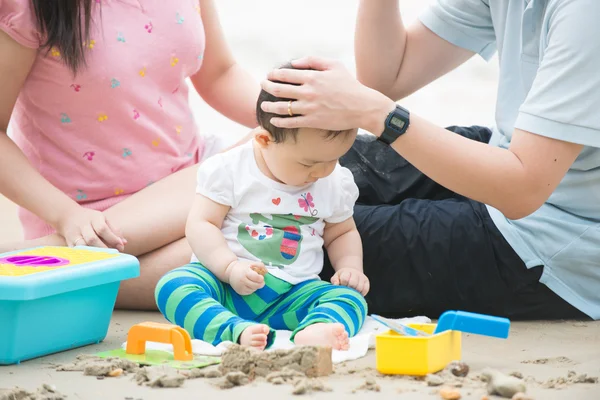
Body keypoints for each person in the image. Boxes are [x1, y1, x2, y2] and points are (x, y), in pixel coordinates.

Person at [259, 0, 600, 321]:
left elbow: (524, 191)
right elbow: (387, 77)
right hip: (508, 155)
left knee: (281, 237)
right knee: (288, 163)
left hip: (559, 235)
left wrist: (374, 112)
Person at [0, 0, 260, 309]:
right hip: (90, 222)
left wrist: (286, 117)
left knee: (289, 176)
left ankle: (53, 271)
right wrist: (67, 216)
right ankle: (54, 264)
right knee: (273, 246)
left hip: (194, 188)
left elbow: (219, 74)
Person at [154, 66, 368, 350]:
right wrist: (229, 267)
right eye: (309, 164)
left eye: (335, 159)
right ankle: (232, 329)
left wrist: (351, 267)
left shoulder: (333, 180)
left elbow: (341, 232)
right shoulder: (230, 169)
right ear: (265, 140)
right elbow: (201, 224)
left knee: (350, 299)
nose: (323, 172)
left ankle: (315, 328)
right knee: (173, 286)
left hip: (293, 293)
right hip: (225, 286)